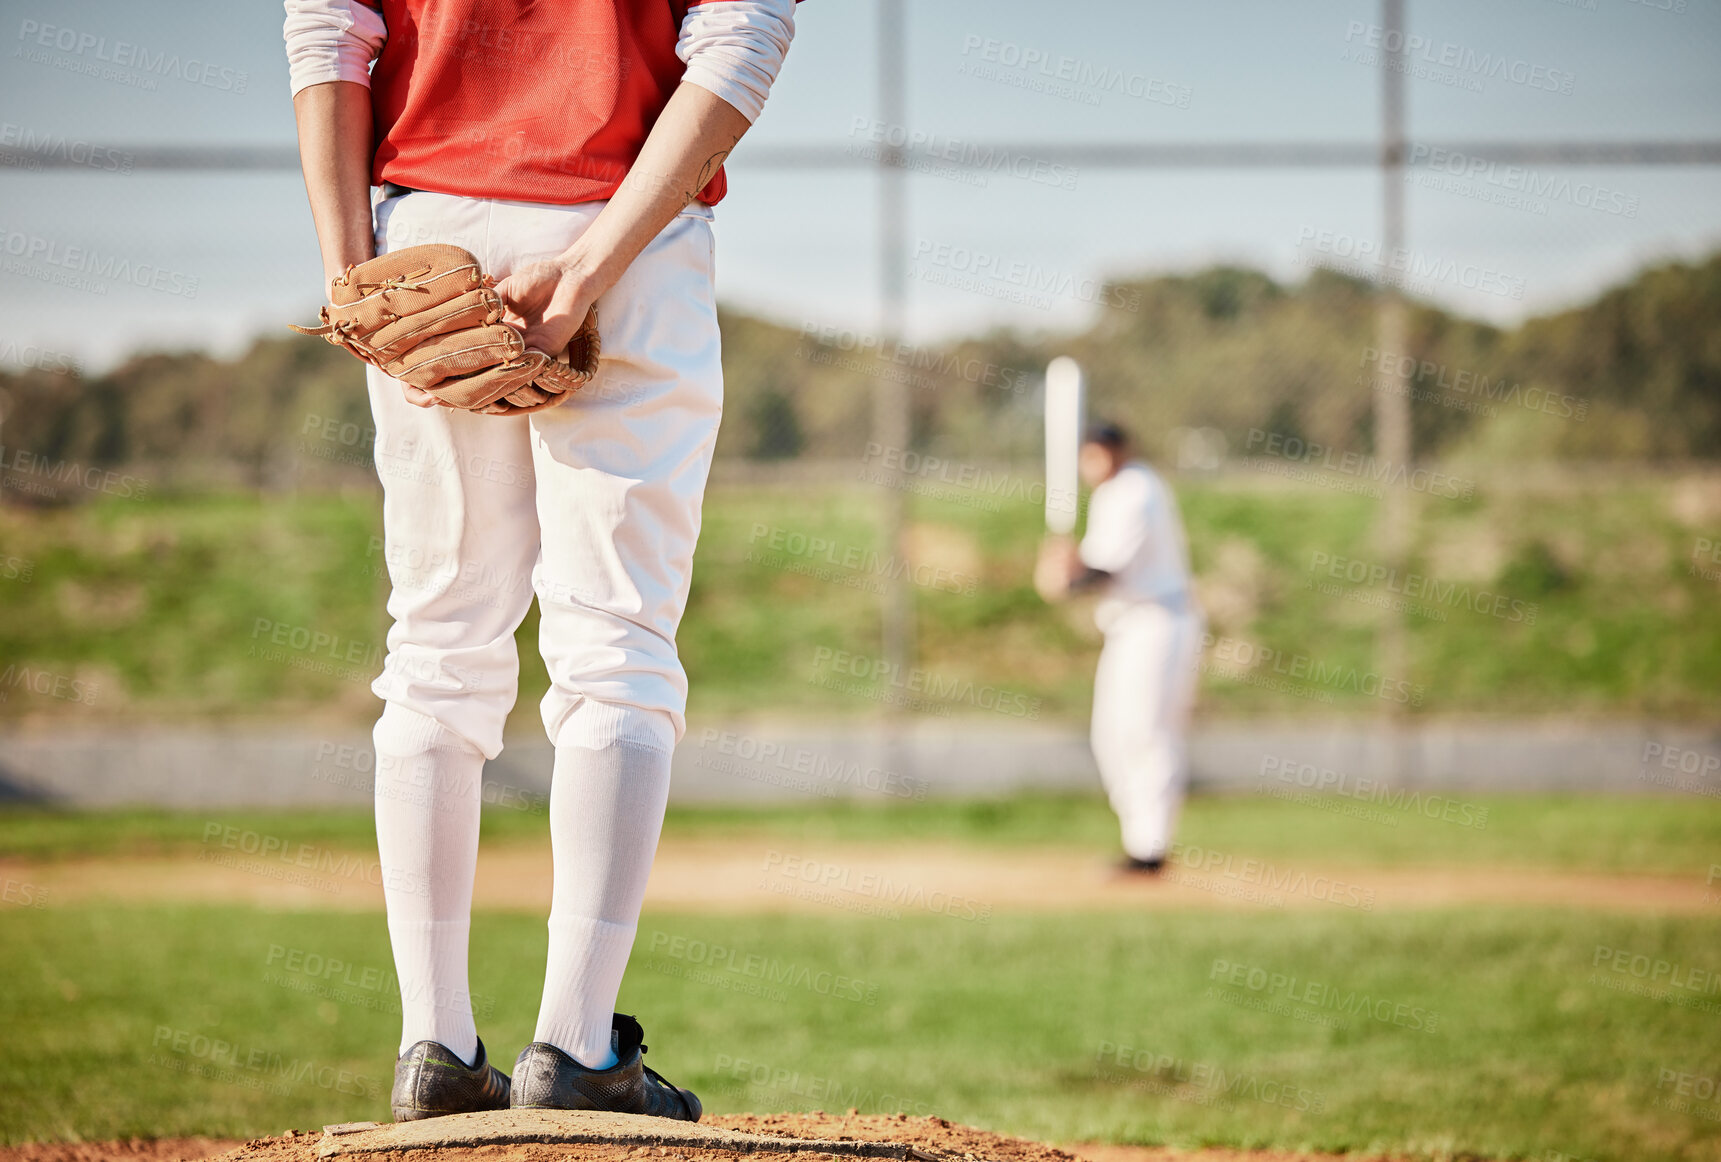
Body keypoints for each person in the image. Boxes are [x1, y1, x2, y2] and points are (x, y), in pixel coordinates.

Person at [283, 0, 798, 1122]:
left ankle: (433, 1040)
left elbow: (330, 29)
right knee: (615, 643)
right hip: (627, 223)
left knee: (435, 643)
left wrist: (351, 275)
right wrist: (583, 272)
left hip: (424, 232)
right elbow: (739, 42)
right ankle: (572, 1047)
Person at [1035, 422, 1203, 874]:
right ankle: (1138, 839)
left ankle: (1150, 847)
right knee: (1110, 734)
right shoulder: (1116, 494)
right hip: (1128, 626)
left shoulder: (1135, 491)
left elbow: (1101, 571)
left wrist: (1065, 575)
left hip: (1159, 622)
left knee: (1147, 732)